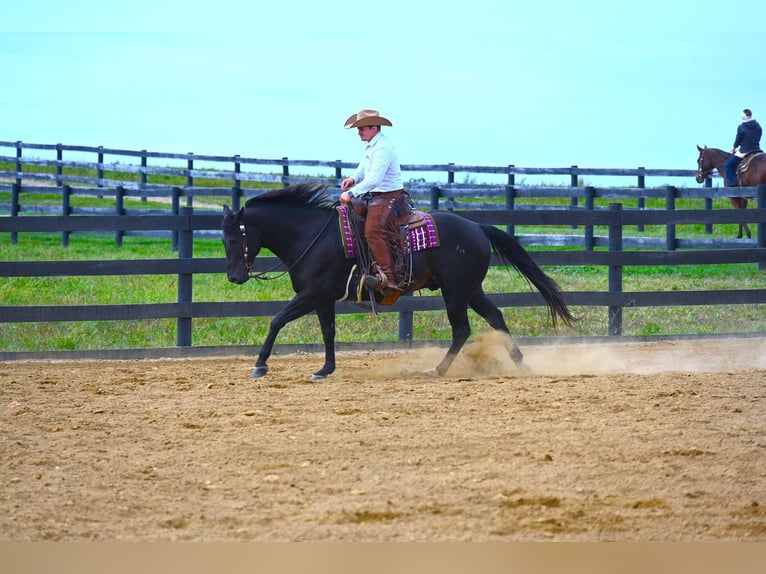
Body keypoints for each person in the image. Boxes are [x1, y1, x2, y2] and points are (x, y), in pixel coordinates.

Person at [340, 109, 410, 295]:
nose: (359, 132)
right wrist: (353, 178)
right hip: (376, 194)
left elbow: (375, 178)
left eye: (361, 128)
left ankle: (387, 278)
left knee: (373, 230)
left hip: (389, 195)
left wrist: (352, 192)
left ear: (374, 127)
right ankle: (365, 266)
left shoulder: (383, 147)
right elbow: (364, 167)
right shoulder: (373, 145)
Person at [725, 108, 762, 187]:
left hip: (744, 151)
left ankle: (732, 185)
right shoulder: (758, 126)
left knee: (728, 165)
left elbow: (738, 139)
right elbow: (759, 136)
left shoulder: (741, 127)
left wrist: (734, 148)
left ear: (743, 117)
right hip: (757, 150)